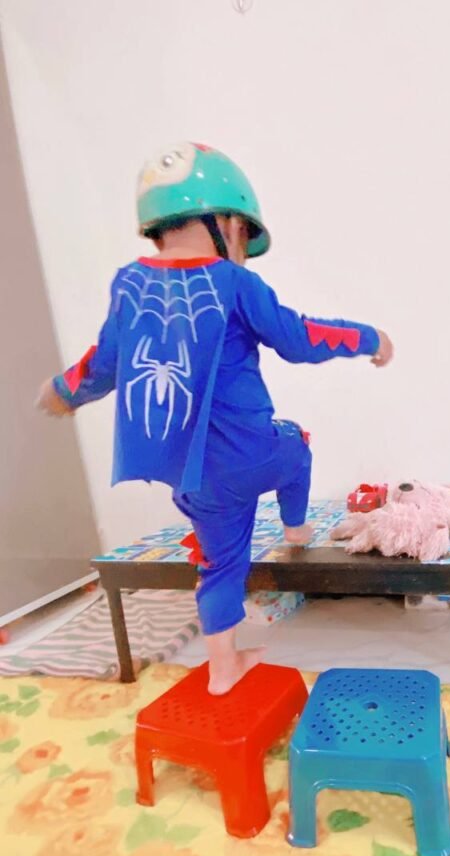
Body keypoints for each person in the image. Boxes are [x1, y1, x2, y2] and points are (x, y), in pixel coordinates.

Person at [37, 142, 394, 694]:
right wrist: (369, 338)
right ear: (225, 223)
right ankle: (297, 529)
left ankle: (223, 669)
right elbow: (299, 339)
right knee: (296, 446)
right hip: (253, 455)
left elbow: (102, 363)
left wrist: (62, 392)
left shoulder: (128, 284)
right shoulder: (236, 283)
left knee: (222, 567)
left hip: (190, 476)